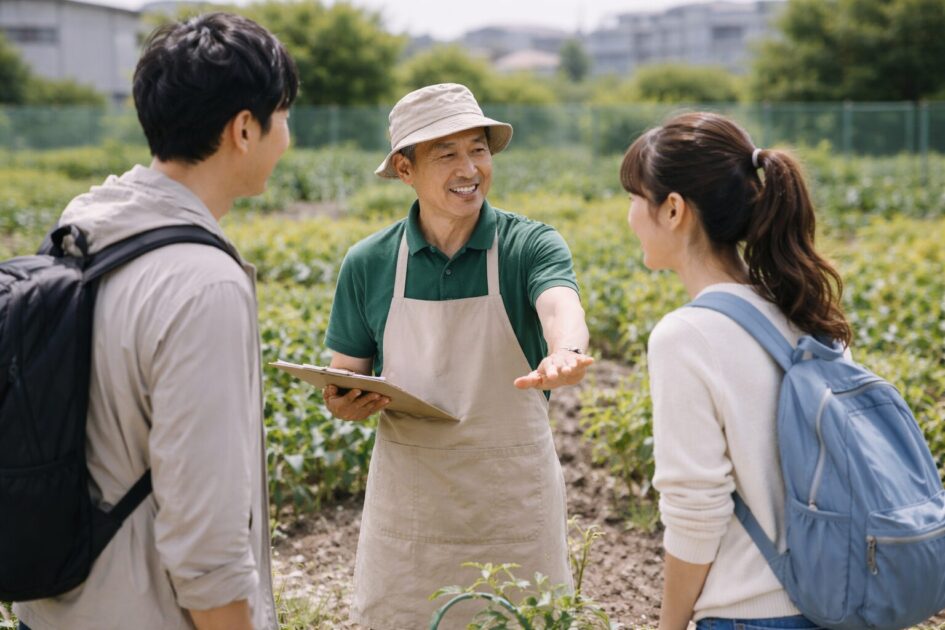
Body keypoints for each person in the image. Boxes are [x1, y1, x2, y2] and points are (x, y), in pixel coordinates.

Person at [14, 13, 298, 630]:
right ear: (244, 129)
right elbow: (205, 543)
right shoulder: (204, 284)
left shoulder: (82, 233)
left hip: (53, 607)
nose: (287, 137)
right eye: (282, 116)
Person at [323, 82, 594, 627]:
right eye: (446, 153)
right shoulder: (369, 262)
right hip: (411, 505)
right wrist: (342, 401)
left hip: (510, 499)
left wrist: (565, 349)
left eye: (478, 149)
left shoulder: (529, 245)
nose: (469, 167)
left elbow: (560, 303)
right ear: (405, 169)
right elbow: (343, 376)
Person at [621, 112, 850, 630]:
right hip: (836, 604)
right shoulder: (806, 312)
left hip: (751, 614)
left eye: (635, 199)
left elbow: (696, 514)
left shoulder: (686, 337)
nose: (631, 215)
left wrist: (670, 626)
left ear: (673, 209)